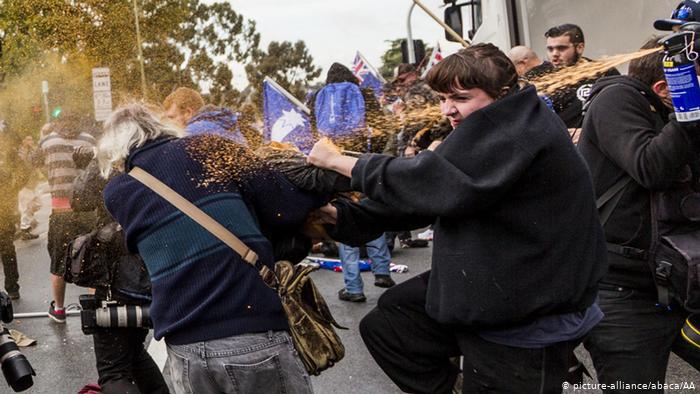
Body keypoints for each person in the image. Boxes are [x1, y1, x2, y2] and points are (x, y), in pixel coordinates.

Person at [307, 43, 607, 393]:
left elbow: (429, 179)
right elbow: (429, 196)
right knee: (391, 323)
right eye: (443, 98)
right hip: (494, 290)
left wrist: (337, 161)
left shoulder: (517, 130)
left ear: (503, 94)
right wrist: (339, 217)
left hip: (526, 315)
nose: (448, 110)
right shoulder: (498, 123)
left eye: (461, 98)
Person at [100, 103, 320, 393]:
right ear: (162, 125)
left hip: (184, 348)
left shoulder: (118, 192)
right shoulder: (210, 147)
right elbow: (287, 207)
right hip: (249, 331)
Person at [578, 37, 700, 391]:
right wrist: (688, 110)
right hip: (626, 294)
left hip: (681, 283)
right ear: (666, 87)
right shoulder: (616, 99)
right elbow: (650, 167)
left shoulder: (670, 112)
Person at [71, 147, 168, 394]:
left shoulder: (113, 164)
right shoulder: (161, 159)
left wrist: (95, 159)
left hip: (118, 277)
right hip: (149, 270)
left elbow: (79, 198)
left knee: (114, 370)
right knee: (134, 353)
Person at [36, 114, 96, 322]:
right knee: (92, 258)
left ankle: (59, 309)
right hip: (88, 212)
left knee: (59, 260)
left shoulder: (49, 140)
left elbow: (33, 160)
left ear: (57, 122)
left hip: (61, 211)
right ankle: (93, 309)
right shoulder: (89, 140)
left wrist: (43, 134)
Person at [529, 23, 619, 129]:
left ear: (580, 47)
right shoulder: (536, 76)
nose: (554, 54)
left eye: (561, 48)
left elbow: (617, 112)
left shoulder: (603, 73)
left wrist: (587, 133)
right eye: (550, 49)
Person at [163, 86, 248, 144]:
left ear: (188, 113)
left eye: (172, 117)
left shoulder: (194, 131)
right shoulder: (219, 121)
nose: (169, 123)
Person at [17, 135, 41, 241]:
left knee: (36, 204)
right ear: (23, 141)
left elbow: (37, 164)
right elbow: (20, 166)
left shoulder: (32, 151)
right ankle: (24, 229)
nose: (30, 141)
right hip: (24, 182)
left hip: (32, 181)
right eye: (28, 139)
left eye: (31, 139)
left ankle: (26, 225)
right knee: (26, 206)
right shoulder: (20, 152)